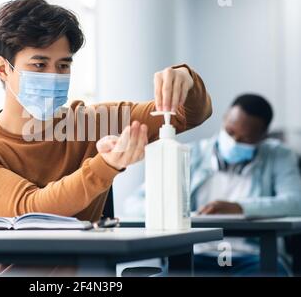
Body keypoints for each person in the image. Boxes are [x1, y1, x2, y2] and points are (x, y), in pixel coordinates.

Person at [0, 0, 212, 276]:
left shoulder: (92, 122)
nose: (54, 75)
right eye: (40, 65)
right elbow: (31, 209)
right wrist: (106, 165)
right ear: (3, 68)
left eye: (63, 65)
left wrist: (185, 79)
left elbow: (185, 115)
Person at [125, 94, 301, 276]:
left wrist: (240, 208)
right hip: (195, 256)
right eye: (230, 132)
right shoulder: (188, 154)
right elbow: (133, 204)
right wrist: (175, 213)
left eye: (245, 139)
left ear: (262, 136)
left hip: (254, 258)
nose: (234, 142)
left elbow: (295, 202)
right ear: (224, 119)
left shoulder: (280, 156)